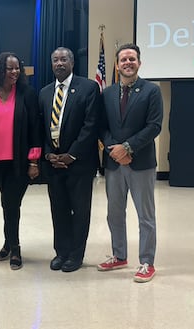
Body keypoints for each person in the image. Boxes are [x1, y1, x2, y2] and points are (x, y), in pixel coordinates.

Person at [97, 43, 163, 283]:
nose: (127, 63)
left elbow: (154, 126)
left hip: (141, 163)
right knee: (114, 213)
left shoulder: (151, 91)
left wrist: (127, 148)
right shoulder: (107, 93)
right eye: (123, 59)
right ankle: (119, 255)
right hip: (114, 164)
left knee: (145, 216)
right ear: (117, 64)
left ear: (139, 63)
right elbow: (102, 125)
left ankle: (147, 262)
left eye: (132, 59)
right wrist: (115, 150)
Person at [39, 47, 102, 272]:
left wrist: (71, 154)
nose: (59, 63)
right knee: (59, 209)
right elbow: (42, 128)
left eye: (63, 59)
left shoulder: (88, 88)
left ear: (72, 63)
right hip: (53, 163)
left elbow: (91, 125)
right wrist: (48, 154)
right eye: (55, 60)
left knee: (80, 210)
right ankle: (61, 252)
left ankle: (76, 255)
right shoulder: (45, 92)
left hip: (79, 164)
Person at [0, 52, 41, 270]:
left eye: (18, 68)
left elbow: (35, 127)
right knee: (6, 203)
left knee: (12, 203)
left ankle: (14, 248)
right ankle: (8, 242)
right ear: (0, 70)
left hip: (20, 161)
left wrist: (34, 161)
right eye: (10, 68)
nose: (15, 72)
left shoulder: (27, 94)